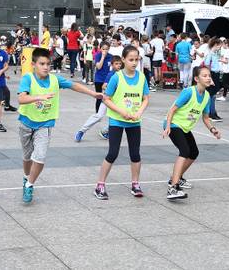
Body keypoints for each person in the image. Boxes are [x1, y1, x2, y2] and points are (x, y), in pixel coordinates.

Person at [17, 47, 102, 203]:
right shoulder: (28, 78)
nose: (45, 67)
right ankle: (26, 176)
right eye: (42, 64)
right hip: (26, 122)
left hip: (45, 123)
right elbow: (21, 99)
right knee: (27, 156)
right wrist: (38, 97)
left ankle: (29, 184)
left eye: (48, 64)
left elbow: (74, 86)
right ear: (33, 64)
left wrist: (93, 94)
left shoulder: (55, 80)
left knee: (40, 157)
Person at [94, 46, 149, 200]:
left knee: (135, 154)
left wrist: (139, 112)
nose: (134, 62)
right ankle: (100, 185)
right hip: (117, 120)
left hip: (134, 121)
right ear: (123, 60)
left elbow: (145, 98)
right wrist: (121, 112)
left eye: (136, 60)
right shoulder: (116, 77)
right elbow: (106, 98)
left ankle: (135, 184)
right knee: (113, 153)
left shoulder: (142, 77)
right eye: (131, 59)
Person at [162, 65, 222, 200]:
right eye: (204, 76)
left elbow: (205, 118)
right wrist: (167, 127)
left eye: (209, 76)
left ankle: (176, 178)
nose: (208, 78)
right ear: (196, 78)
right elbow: (172, 109)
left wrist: (213, 130)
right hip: (173, 124)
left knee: (194, 152)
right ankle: (173, 187)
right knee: (184, 151)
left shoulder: (206, 96)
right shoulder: (188, 92)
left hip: (185, 128)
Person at [76, 55, 122, 142]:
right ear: (112, 65)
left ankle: (106, 132)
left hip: (116, 101)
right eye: (116, 64)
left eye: (120, 64)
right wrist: (113, 89)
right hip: (107, 99)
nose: (118, 65)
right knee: (99, 116)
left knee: (118, 117)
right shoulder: (111, 74)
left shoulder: (122, 74)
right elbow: (104, 86)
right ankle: (81, 131)